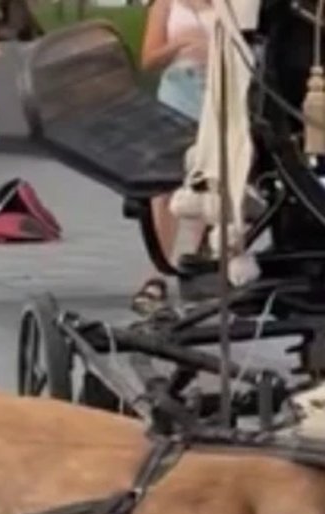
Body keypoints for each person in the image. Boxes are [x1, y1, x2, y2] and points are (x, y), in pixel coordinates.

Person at [131, 0, 209, 315]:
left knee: (208, 181)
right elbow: (148, 60)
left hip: (214, 91)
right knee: (165, 189)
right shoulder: (166, 4)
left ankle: (199, 265)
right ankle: (157, 270)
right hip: (179, 90)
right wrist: (180, 44)